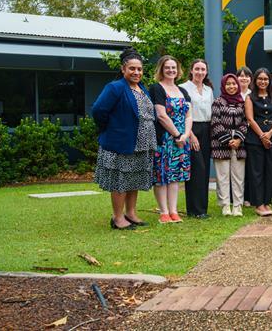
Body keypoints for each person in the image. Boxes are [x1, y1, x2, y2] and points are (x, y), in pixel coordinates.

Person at [92, 48, 155, 230]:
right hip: (122, 143)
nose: (136, 72)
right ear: (123, 69)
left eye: (139, 69)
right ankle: (118, 218)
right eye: (132, 69)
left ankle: (131, 213)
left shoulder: (142, 88)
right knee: (120, 180)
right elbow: (98, 110)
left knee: (133, 179)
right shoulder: (116, 87)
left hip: (141, 144)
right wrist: (110, 128)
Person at [149, 56, 193, 223]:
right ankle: (164, 212)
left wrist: (186, 135)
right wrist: (176, 135)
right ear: (161, 69)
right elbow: (161, 115)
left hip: (181, 139)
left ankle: (174, 211)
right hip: (165, 139)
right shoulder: (156, 88)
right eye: (167, 67)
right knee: (161, 175)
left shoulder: (183, 91)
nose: (171, 71)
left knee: (175, 175)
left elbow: (189, 115)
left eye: (174, 67)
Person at [244, 68, 272, 217]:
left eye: (266, 79)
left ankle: (266, 202)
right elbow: (250, 119)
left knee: (270, 172)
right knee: (257, 172)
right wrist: (262, 136)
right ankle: (258, 204)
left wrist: (271, 133)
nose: (263, 81)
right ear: (255, 80)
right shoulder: (250, 97)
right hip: (255, 140)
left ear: (269, 81)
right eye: (260, 79)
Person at [179, 59, 214, 219]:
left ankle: (202, 209)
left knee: (205, 169)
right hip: (192, 130)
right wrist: (191, 135)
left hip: (207, 129)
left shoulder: (208, 90)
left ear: (206, 72)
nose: (200, 72)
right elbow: (183, 114)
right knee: (195, 169)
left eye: (203, 69)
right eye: (197, 69)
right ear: (191, 70)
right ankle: (194, 209)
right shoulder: (183, 88)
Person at [210, 73, 248, 216]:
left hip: (239, 144)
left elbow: (245, 122)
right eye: (228, 84)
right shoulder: (218, 102)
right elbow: (215, 122)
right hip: (220, 143)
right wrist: (227, 140)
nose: (231, 86)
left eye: (234, 84)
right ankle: (225, 205)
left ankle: (237, 206)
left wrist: (238, 139)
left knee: (238, 176)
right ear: (223, 86)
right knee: (223, 176)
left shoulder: (242, 103)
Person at [236, 66, 253, 207]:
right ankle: (236, 197)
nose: (243, 78)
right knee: (237, 167)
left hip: (251, 135)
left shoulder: (253, 94)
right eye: (241, 75)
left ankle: (248, 196)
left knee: (249, 167)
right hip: (235, 136)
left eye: (246, 76)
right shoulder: (233, 93)